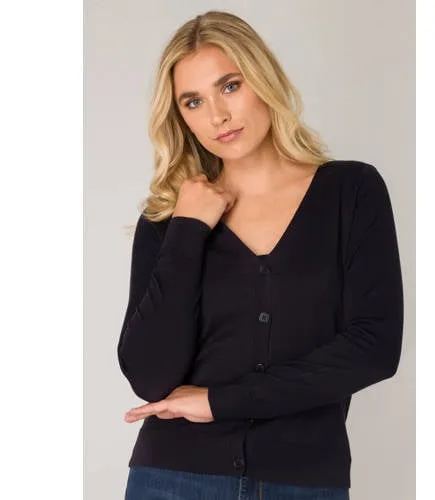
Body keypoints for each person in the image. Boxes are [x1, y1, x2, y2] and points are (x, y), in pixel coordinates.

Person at [117, 10, 404, 500]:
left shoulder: (351, 192)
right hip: (173, 479)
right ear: (181, 117)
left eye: (230, 86)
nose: (218, 116)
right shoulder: (168, 220)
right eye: (193, 101)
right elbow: (148, 375)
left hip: (304, 482)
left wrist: (221, 402)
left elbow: (374, 347)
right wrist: (188, 230)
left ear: (263, 78)